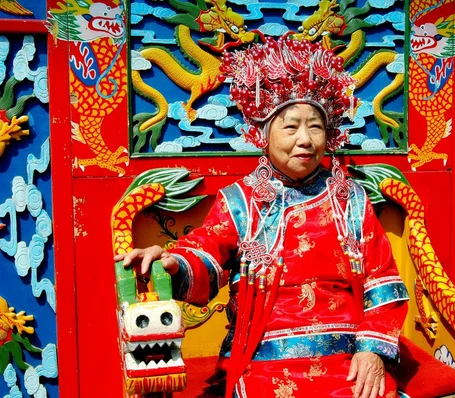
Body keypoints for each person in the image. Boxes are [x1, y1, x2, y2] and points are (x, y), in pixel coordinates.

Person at [115, 36, 409, 398]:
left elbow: (383, 282)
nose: (305, 139)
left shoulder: (352, 200)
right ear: (263, 135)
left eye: (315, 127)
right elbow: (206, 248)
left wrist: (372, 351)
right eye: (290, 127)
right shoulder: (240, 201)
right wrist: (173, 262)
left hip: (347, 358)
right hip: (261, 358)